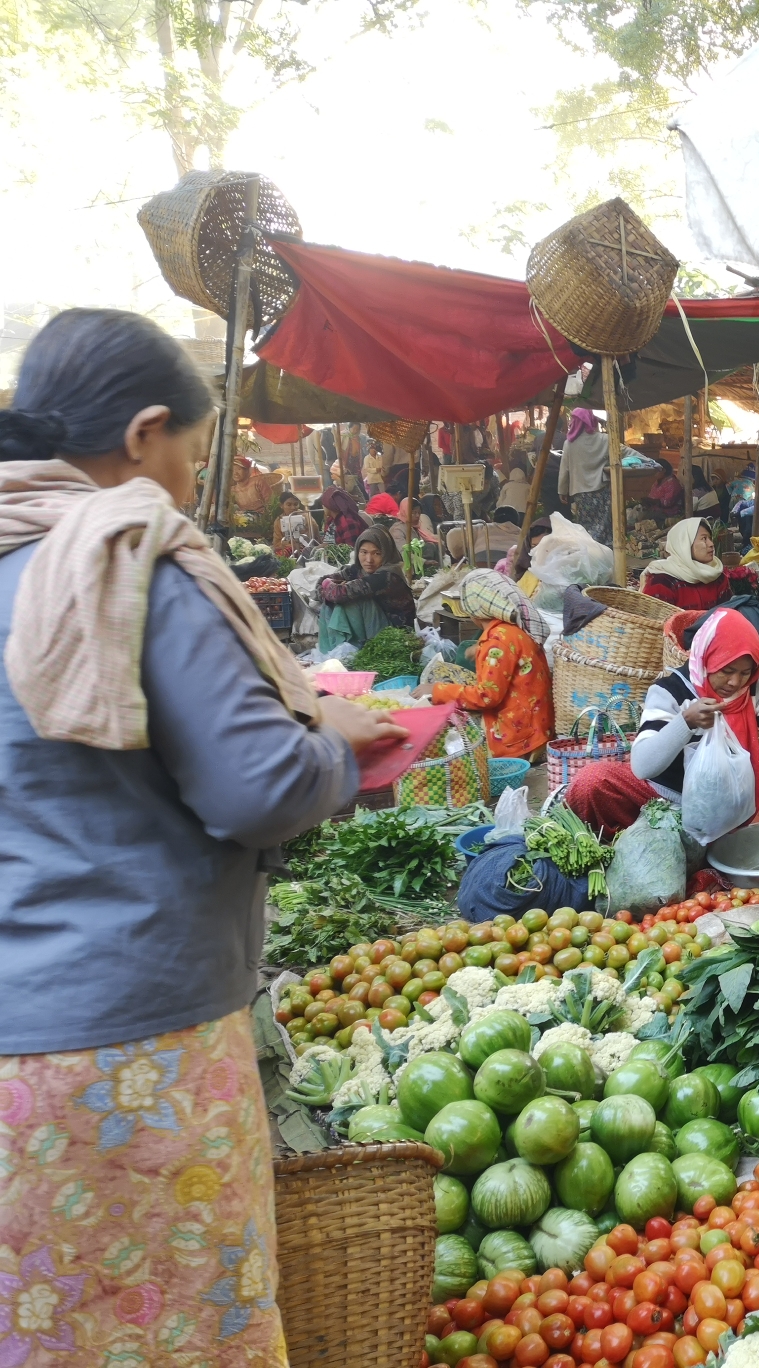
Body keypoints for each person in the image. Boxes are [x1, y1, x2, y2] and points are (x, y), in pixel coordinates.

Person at [0, 307, 406, 1363]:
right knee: (175, 1324)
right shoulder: (125, 558)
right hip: (139, 1039)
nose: (191, 470)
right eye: (191, 443)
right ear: (142, 435)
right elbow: (257, 789)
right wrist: (335, 742)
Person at [565, 605, 759, 836]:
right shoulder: (669, 690)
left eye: (745, 672)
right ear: (706, 658)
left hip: (718, 807)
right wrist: (684, 723)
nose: (735, 682)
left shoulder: (753, 688)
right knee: (593, 781)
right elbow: (642, 765)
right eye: (726, 670)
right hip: (663, 797)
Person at [424, 569, 554, 760]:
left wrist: (436, 691)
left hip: (517, 741)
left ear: (473, 610)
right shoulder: (510, 632)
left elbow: (486, 697)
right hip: (537, 729)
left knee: (444, 716)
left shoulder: (497, 642)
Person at [317, 525, 415, 652]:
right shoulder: (358, 569)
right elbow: (320, 584)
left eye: (377, 553)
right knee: (329, 601)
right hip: (374, 627)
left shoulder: (388, 576)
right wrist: (327, 586)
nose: (369, 560)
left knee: (353, 600)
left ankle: (348, 650)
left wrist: (327, 585)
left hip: (395, 635)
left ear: (386, 554)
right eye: (364, 552)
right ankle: (331, 651)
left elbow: (339, 594)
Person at [639, 515, 758, 609]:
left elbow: (726, 615)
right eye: (704, 539)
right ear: (685, 545)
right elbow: (657, 626)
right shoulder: (662, 582)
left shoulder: (717, 577)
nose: (711, 544)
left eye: (710, 539)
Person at [560, 408, 612, 544]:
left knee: (585, 526)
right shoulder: (604, 439)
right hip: (602, 489)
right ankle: (605, 553)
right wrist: (649, 461)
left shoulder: (569, 444)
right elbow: (625, 451)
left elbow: (564, 469)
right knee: (603, 524)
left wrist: (562, 490)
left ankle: (589, 552)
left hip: (581, 492)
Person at [271, 489, 317, 557]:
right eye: (289, 505)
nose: (293, 508)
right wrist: (291, 544)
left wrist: (300, 543)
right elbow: (277, 543)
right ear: (281, 505)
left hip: (304, 547)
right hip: (288, 549)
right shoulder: (278, 521)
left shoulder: (306, 517)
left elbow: (314, 536)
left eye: (295, 504)